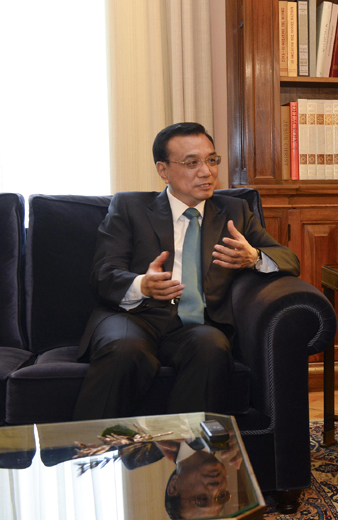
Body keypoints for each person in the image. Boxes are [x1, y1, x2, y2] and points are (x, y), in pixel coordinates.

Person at [73, 122, 300, 420]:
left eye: (211, 160)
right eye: (192, 163)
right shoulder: (129, 207)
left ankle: (186, 447)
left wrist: (253, 257)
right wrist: (142, 285)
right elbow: (104, 273)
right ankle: (91, 445)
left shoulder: (234, 212)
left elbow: (289, 259)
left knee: (212, 347)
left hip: (196, 326)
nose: (206, 171)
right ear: (163, 170)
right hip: (134, 317)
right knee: (125, 350)